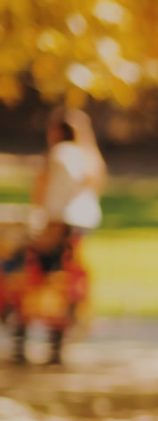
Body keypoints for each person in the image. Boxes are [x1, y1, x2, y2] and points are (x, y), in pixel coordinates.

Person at [6, 107, 104, 365]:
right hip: (72, 236)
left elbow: (41, 195)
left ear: (57, 131)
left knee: (11, 266)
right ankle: (53, 339)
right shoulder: (89, 159)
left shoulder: (59, 155)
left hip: (54, 231)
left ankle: (16, 328)